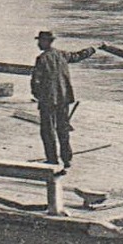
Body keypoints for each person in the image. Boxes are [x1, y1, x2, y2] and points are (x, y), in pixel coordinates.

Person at [30, 31, 97, 169]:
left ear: (46, 42)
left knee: (47, 131)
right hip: (64, 98)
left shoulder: (41, 59)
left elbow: (35, 81)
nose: (38, 43)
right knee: (63, 129)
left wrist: (38, 96)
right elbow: (79, 56)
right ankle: (67, 159)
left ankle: (52, 160)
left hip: (48, 100)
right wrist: (93, 48)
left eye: (40, 41)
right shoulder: (62, 55)